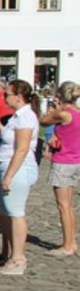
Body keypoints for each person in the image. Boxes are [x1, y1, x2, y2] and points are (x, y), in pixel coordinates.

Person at [0, 80, 40, 276]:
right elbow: (8, 137)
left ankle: (18, 257)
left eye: (7, 95)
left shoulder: (26, 117)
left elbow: (21, 149)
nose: (4, 98)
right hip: (5, 165)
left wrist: (9, 175)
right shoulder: (16, 117)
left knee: (16, 212)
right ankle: (13, 250)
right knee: (0, 210)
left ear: (18, 97)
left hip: (18, 168)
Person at [41, 81, 80, 257]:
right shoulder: (77, 113)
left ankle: (67, 245)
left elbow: (43, 121)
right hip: (75, 161)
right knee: (69, 206)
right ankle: (72, 241)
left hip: (63, 162)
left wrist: (55, 108)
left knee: (63, 205)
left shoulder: (64, 114)